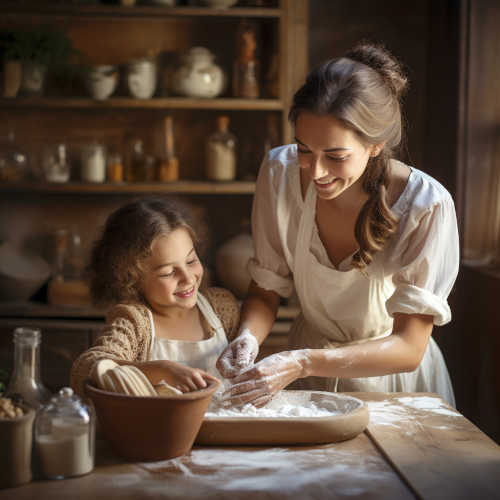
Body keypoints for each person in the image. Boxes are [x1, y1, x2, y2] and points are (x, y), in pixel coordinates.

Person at [216, 42, 459, 408]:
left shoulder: (425, 205)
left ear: (375, 145)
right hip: (306, 371)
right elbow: (265, 291)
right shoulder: (279, 174)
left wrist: (301, 361)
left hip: (395, 384)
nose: (316, 172)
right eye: (304, 149)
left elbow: (409, 347)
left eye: (336, 156)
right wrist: (247, 337)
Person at [70, 197, 240, 397]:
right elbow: (86, 368)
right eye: (168, 272)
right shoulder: (134, 321)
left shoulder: (221, 307)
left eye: (191, 260)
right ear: (132, 278)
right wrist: (162, 370)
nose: (187, 278)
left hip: (228, 426)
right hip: (158, 429)